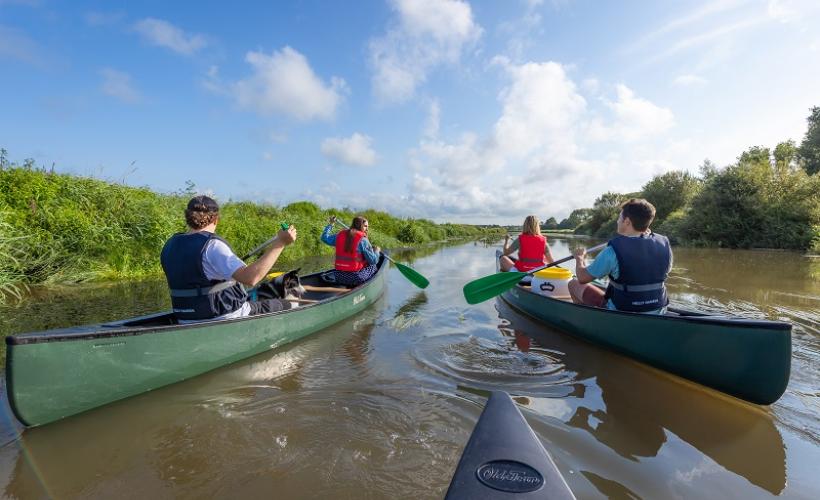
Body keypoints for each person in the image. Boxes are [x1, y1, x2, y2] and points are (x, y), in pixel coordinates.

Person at [160, 195, 297, 322]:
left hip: (184, 318)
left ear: (188, 218)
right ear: (215, 219)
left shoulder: (170, 245)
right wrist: (281, 243)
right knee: (285, 304)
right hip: (223, 316)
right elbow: (251, 278)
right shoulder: (213, 246)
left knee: (255, 296)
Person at [568, 198, 672, 314]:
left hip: (623, 310)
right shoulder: (664, 244)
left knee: (573, 283)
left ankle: (583, 319)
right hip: (659, 309)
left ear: (627, 221)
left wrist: (580, 259)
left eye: (619, 218)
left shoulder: (612, 251)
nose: (617, 221)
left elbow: (583, 278)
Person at [321, 215, 381, 286]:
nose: (367, 229)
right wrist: (376, 251)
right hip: (355, 278)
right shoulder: (363, 240)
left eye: (367, 226)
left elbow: (324, 238)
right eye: (365, 226)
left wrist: (331, 224)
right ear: (359, 226)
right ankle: (369, 287)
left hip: (339, 276)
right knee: (373, 266)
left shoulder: (339, 235)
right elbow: (373, 260)